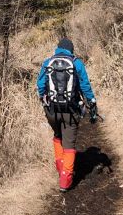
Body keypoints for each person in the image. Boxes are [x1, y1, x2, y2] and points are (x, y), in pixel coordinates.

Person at [36, 37, 97, 192]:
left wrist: (45, 100)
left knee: (57, 135)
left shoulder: (47, 62)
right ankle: (65, 179)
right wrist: (91, 103)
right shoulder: (76, 63)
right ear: (71, 49)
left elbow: (40, 85)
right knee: (69, 144)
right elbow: (85, 86)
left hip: (51, 110)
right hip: (71, 110)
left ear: (58, 49)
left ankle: (60, 165)